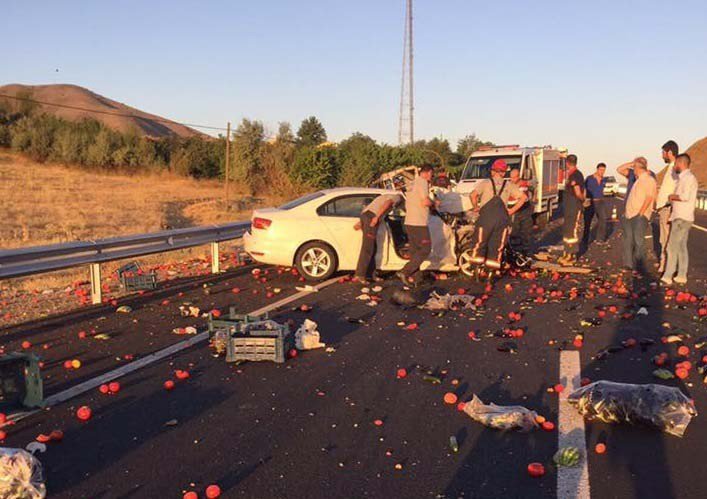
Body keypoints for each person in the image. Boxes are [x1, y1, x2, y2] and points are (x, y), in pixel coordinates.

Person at [468, 159, 528, 271]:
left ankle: (476, 270)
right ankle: (491, 273)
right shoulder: (509, 185)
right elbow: (523, 198)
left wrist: (476, 207)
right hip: (501, 220)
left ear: (492, 171)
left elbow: (473, 195)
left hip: (486, 219)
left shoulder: (486, 183)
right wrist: (511, 210)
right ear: (504, 172)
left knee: (480, 243)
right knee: (496, 246)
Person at [397, 164, 437, 286]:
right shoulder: (422, 182)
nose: (431, 177)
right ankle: (405, 271)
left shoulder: (412, 183)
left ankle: (416, 280)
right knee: (426, 249)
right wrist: (434, 203)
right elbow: (425, 201)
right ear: (428, 172)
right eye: (432, 174)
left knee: (415, 251)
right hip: (419, 222)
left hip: (409, 222)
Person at [661, 153, 698, 285]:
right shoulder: (684, 178)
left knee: (672, 247)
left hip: (682, 218)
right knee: (681, 247)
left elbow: (685, 196)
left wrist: (672, 196)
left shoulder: (688, 178)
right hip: (683, 216)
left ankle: (668, 275)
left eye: (676, 163)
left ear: (681, 163)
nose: (674, 166)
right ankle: (681, 275)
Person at [354, 191, 404, 284]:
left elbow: (368, 208)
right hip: (372, 217)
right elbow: (388, 203)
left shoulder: (384, 195)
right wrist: (377, 217)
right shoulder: (398, 197)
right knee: (368, 248)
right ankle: (360, 274)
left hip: (367, 216)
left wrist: (362, 221)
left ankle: (370, 274)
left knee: (373, 247)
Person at [621, 157, 657, 271]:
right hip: (629, 215)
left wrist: (641, 213)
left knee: (638, 240)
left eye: (634, 167)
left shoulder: (649, 179)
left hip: (639, 216)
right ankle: (628, 264)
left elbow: (650, 197)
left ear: (638, 168)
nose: (633, 169)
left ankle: (639, 264)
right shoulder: (637, 180)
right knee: (628, 239)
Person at [655, 140, 679, 272]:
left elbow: (677, 188)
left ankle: (667, 266)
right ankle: (665, 264)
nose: (662, 155)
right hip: (664, 207)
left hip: (668, 207)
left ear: (669, 152)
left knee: (666, 239)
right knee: (664, 238)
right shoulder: (671, 167)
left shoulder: (676, 167)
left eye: (663, 152)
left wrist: (671, 207)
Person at [559, 154, 585, 265]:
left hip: (574, 206)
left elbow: (578, 192)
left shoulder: (576, 175)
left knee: (572, 231)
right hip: (569, 206)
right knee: (567, 230)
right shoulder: (571, 175)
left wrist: (583, 200)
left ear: (568, 163)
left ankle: (572, 255)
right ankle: (566, 252)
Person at [508, 167, 534, 255]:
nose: (512, 179)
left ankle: (526, 251)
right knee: (514, 231)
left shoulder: (523, 185)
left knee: (525, 231)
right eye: (511, 177)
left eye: (514, 177)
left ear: (518, 176)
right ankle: (515, 249)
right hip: (514, 210)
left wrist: (511, 210)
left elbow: (521, 199)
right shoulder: (509, 184)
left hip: (523, 210)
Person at [583, 163, 609, 246]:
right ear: (597, 169)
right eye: (601, 170)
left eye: (604, 170)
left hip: (600, 201)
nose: (602, 172)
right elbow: (584, 189)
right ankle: (585, 239)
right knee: (587, 222)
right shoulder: (589, 178)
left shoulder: (604, 179)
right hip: (590, 202)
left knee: (603, 220)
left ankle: (600, 239)